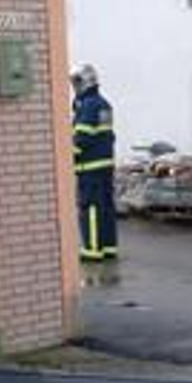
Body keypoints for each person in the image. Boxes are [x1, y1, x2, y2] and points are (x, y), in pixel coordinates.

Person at [70, 63, 119, 285]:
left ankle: (92, 250)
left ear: (86, 81)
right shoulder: (103, 104)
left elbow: (82, 139)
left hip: (89, 168)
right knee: (106, 208)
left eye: (76, 82)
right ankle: (109, 247)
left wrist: (68, 156)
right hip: (105, 166)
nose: (74, 87)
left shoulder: (88, 106)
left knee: (90, 209)